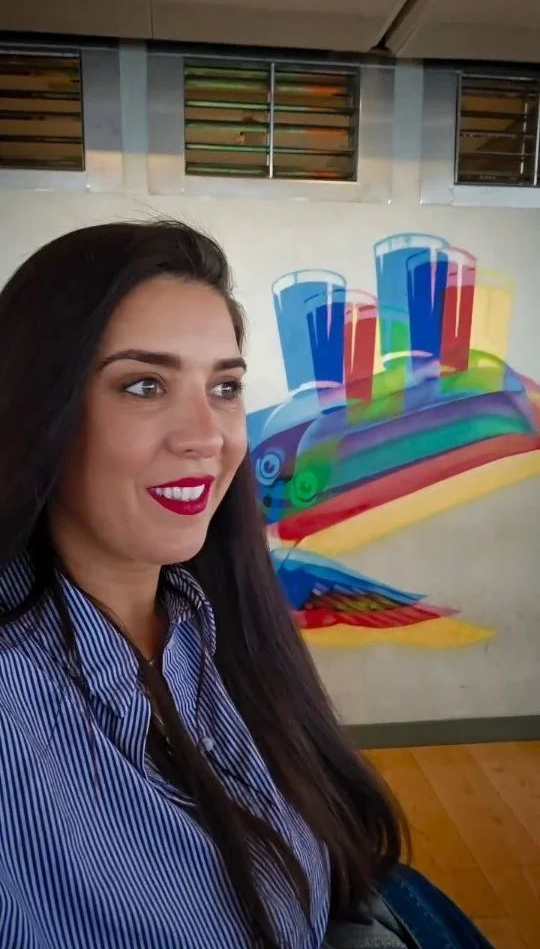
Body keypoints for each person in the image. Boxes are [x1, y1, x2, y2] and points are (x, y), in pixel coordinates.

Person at [0, 221, 492, 949]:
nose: (209, 435)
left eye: (225, 387)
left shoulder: (214, 620)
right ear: (40, 408)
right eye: (144, 385)